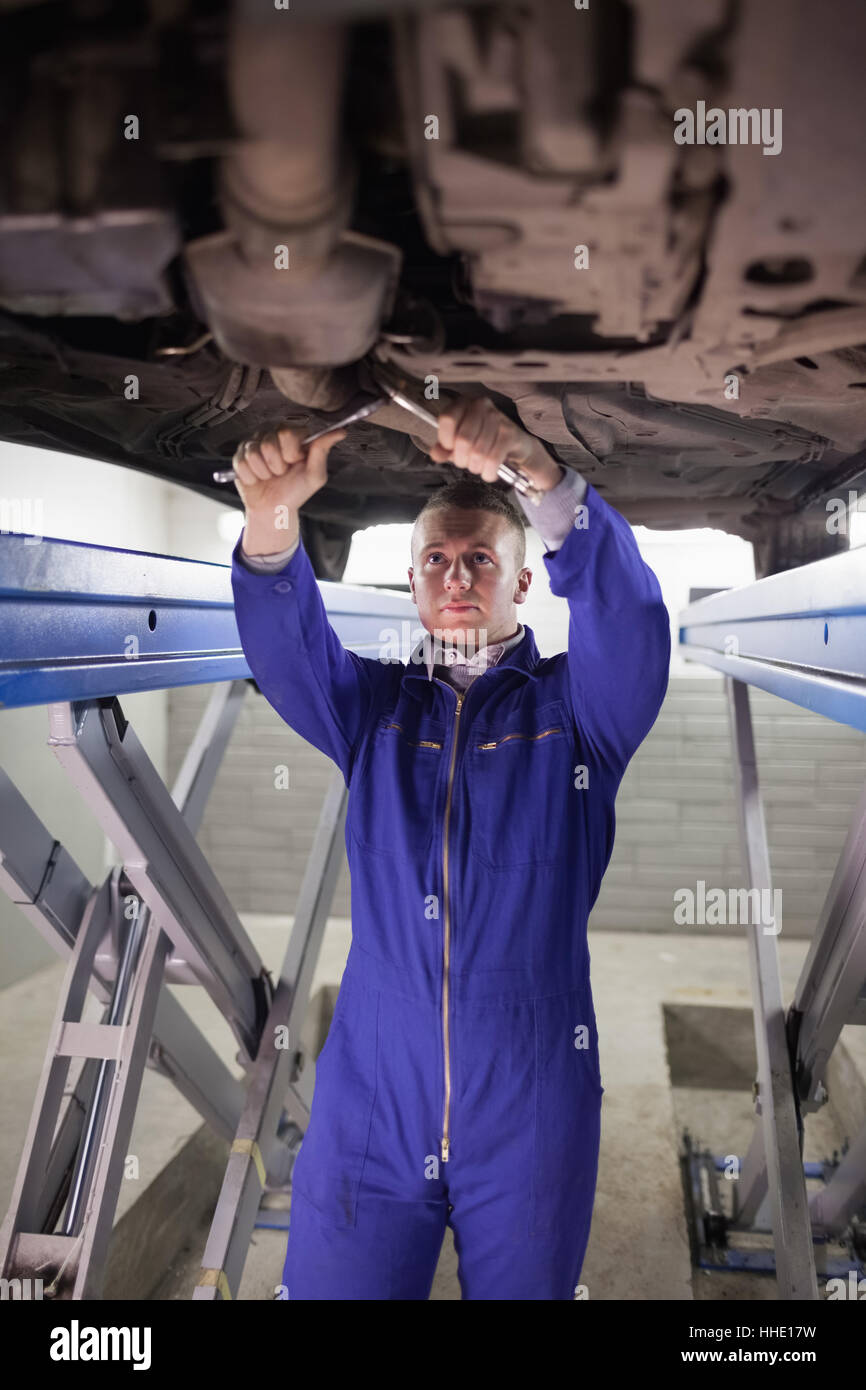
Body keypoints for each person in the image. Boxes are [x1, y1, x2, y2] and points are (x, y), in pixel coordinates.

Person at [230, 395, 670, 1299]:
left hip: (532, 1092)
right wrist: (271, 523)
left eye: (481, 558)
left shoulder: (575, 718)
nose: (456, 576)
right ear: (414, 582)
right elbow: (288, 653)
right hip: (370, 1094)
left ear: (524, 581)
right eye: (436, 560)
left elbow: (631, 627)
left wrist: (542, 478)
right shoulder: (376, 712)